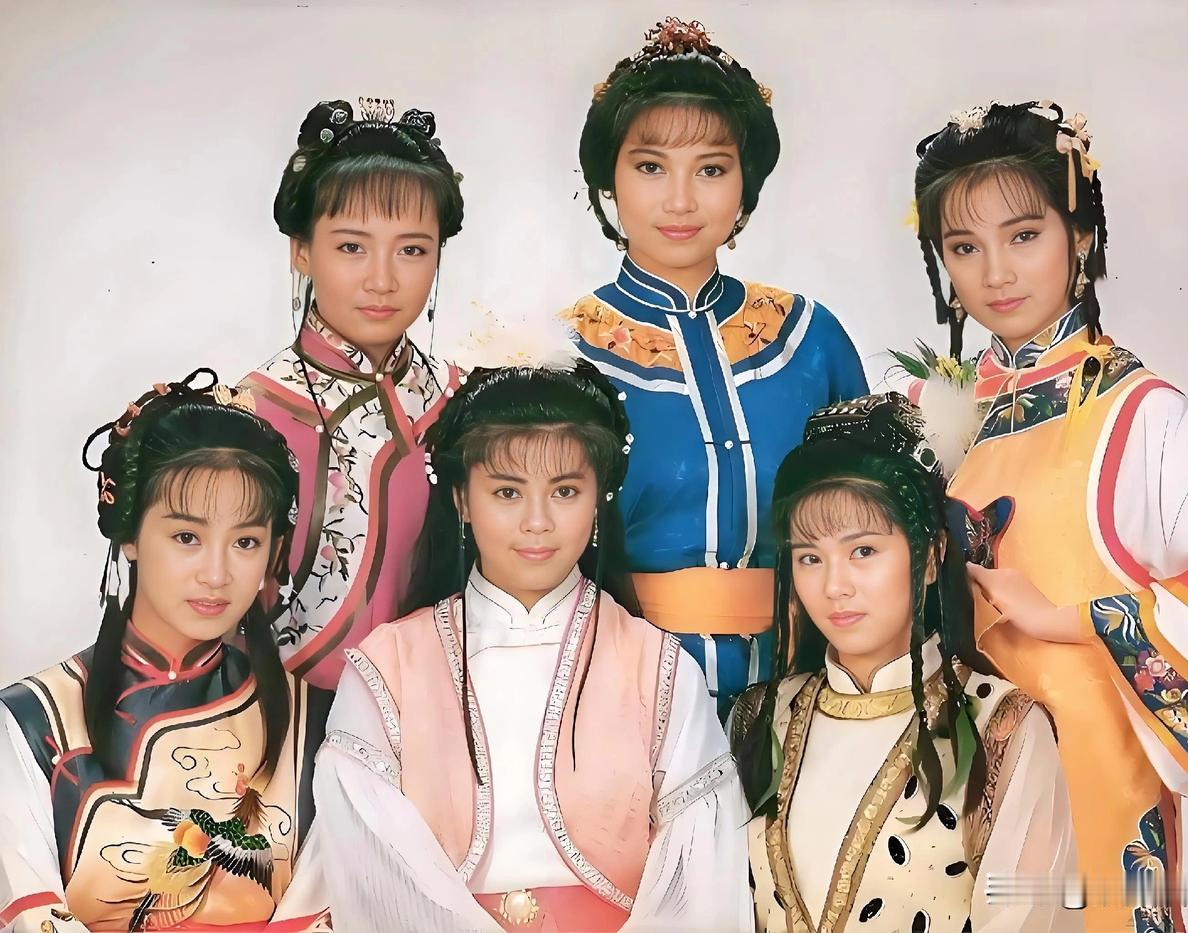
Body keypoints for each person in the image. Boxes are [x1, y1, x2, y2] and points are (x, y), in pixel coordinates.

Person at [910, 99, 1188, 932]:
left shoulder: (1139, 413)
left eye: (1023, 235)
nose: (995, 273)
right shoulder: (936, 415)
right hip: (959, 781)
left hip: (1089, 772)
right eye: (964, 247)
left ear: (1079, 237)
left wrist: (1070, 617)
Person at [298, 356, 751, 931]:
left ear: (599, 499)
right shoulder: (389, 667)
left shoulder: (657, 666)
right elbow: (367, 863)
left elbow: (700, 876)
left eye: (565, 491)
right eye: (508, 492)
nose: (537, 522)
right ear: (463, 500)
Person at [566, 18, 869, 716]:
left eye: (711, 169)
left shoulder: (810, 339)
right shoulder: (566, 356)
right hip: (623, 703)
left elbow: (878, 526)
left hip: (808, 698)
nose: (680, 200)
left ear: (745, 185)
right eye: (650, 167)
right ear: (609, 178)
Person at [732, 393, 1077, 932]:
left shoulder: (1001, 727)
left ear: (932, 555)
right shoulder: (759, 720)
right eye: (809, 557)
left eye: (863, 551)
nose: (835, 585)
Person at [0, 372, 329, 932]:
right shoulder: (30, 724)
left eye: (245, 542)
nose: (217, 574)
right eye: (186, 537)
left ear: (274, 551)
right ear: (129, 534)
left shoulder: (317, 724)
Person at [241, 97, 464, 689]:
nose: (382, 280)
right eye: (351, 247)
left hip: (436, 713)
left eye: (412, 249)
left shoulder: (461, 403)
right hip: (280, 717)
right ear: (301, 250)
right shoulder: (251, 415)